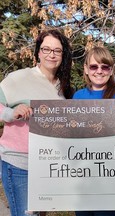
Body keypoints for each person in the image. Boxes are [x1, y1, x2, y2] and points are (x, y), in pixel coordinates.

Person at [0, 29, 73, 216]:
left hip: (48, 164)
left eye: (57, 50)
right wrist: (11, 112)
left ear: (62, 55)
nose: (51, 54)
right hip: (19, 163)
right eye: (46, 49)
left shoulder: (64, 88)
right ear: (38, 52)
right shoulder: (18, 78)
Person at [73, 46, 115, 216]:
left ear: (111, 70)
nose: (99, 71)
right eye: (93, 66)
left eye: (104, 67)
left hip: (111, 179)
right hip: (82, 178)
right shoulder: (77, 97)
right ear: (85, 69)